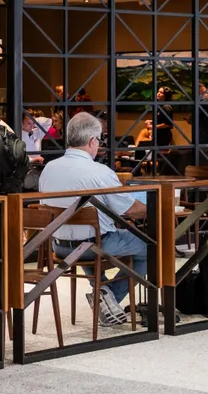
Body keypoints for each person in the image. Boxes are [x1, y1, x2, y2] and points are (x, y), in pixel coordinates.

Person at [39, 113, 147, 326]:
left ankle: (103, 293)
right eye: (99, 140)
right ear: (92, 141)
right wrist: (155, 207)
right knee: (151, 246)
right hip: (93, 246)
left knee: (91, 237)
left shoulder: (48, 169)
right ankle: (109, 298)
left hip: (59, 248)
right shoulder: (99, 172)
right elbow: (132, 210)